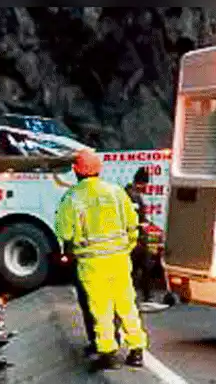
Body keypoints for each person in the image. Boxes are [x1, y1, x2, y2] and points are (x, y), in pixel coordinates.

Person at [54, 150, 149, 372]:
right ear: (99, 169)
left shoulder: (72, 198)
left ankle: (108, 353)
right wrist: (126, 248)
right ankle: (137, 350)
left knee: (101, 308)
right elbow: (132, 225)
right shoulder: (116, 193)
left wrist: (70, 253)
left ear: (76, 171)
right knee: (126, 304)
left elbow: (64, 232)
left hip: (92, 264)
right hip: (119, 259)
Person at [125, 167, 155, 304]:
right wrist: (140, 225)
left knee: (143, 267)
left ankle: (146, 295)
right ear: (141, 183)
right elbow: (130, 217)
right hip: (134, 238)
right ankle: (140, 295)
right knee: (137, 267)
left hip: (138, 238)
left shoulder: (133, 194)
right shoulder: (130, 196)